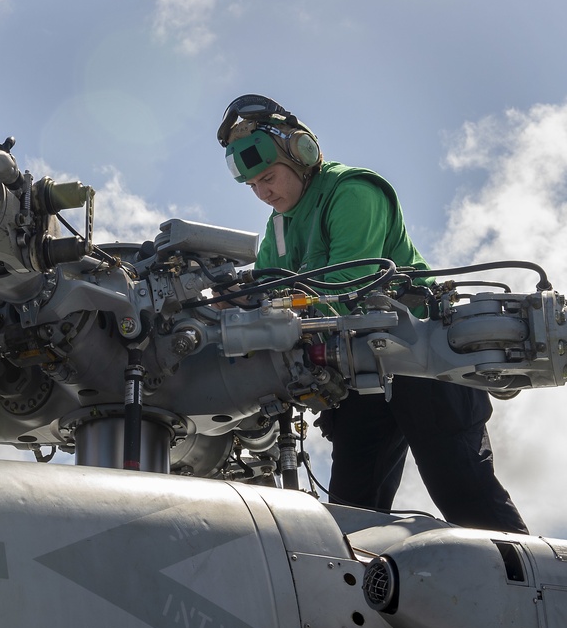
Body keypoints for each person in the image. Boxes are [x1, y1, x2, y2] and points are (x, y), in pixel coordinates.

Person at [216, 94, 528, 534]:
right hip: (361, 374)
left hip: (421, 358)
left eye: (268, 177)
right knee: (351, 516)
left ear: (302, 154)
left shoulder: (353, 191)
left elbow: (349, 286)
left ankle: (531, 593)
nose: (263, 192)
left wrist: (262, 303)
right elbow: (267, 292)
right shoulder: (278, 226)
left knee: (464, 491)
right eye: (253, 187)